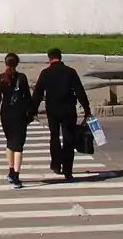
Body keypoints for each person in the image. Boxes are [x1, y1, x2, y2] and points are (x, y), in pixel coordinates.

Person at [31, 47, 92, 180]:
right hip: (68, 109)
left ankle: (56, 164)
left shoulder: (45, 73)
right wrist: (87, 109)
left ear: (49, 58)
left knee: (54, 137)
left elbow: (37, 94)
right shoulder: (70, 72)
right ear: (61, 57)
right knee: (68, 138)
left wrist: (32, 111)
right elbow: (80, 92)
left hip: (52, 110)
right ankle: (68, 170)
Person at [0, 52, 33, 188]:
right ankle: (16, 176)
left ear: (6, 63)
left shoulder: (1, 78)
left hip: (6, 114)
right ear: (17, 63)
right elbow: (28, 97)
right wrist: (31, 114)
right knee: (18, 145)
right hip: (20, 114)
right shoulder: (22, 77)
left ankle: (10, 171)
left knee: (10, 143)